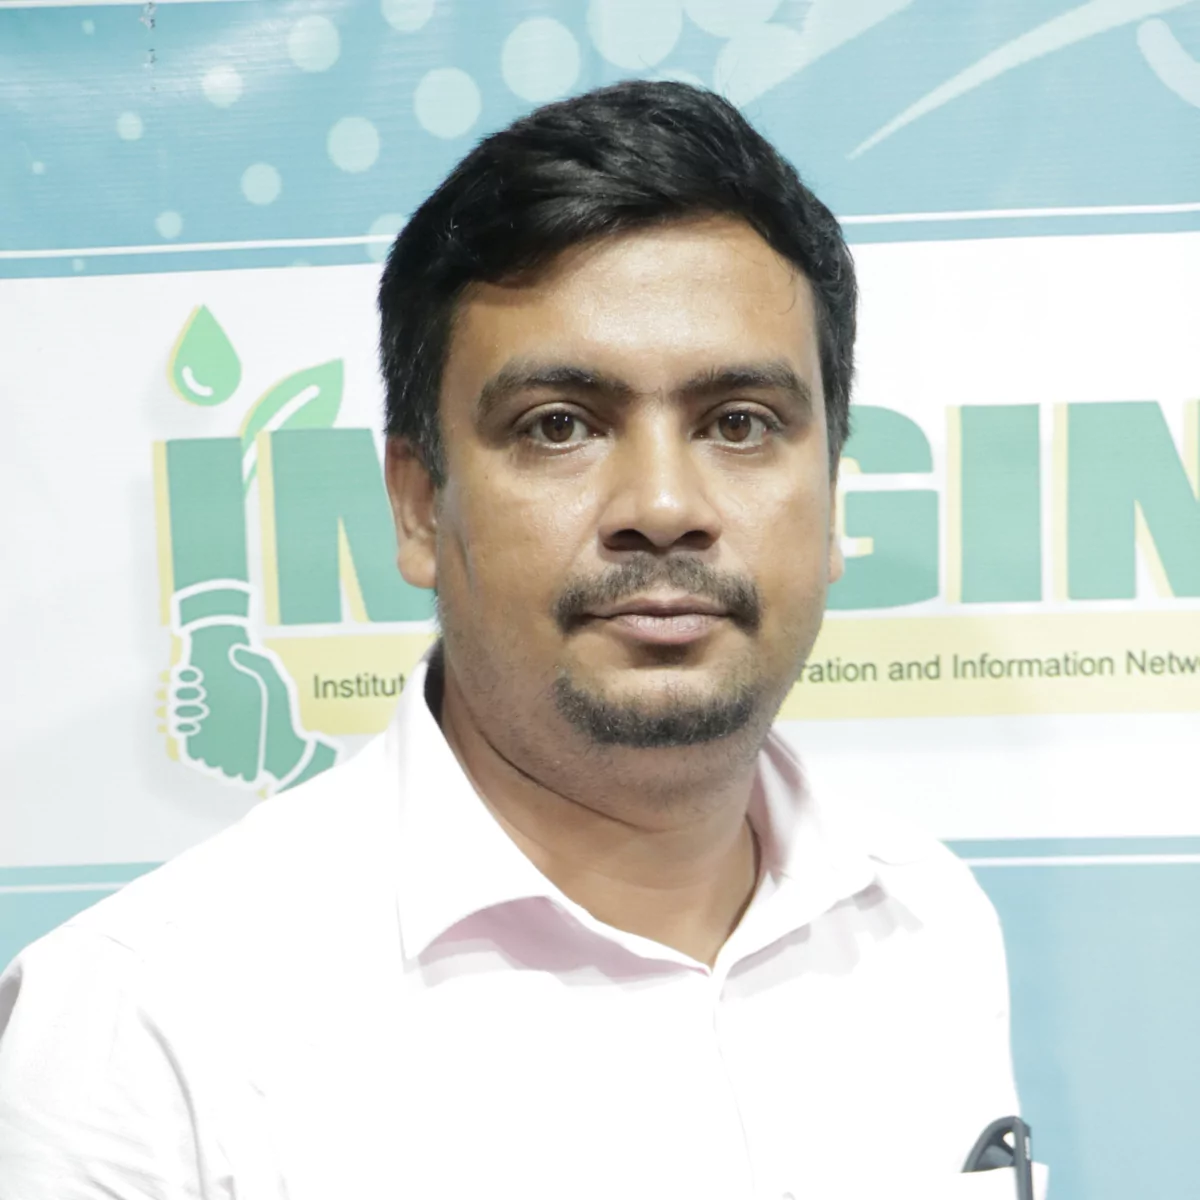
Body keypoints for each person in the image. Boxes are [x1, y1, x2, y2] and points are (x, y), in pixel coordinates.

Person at [0, 81, 1021, 1198]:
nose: (664, 505)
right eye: (560, 426)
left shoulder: (926, 922)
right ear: (416, 506)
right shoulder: (143, 1028)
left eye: (740, 424)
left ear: (831, 497)